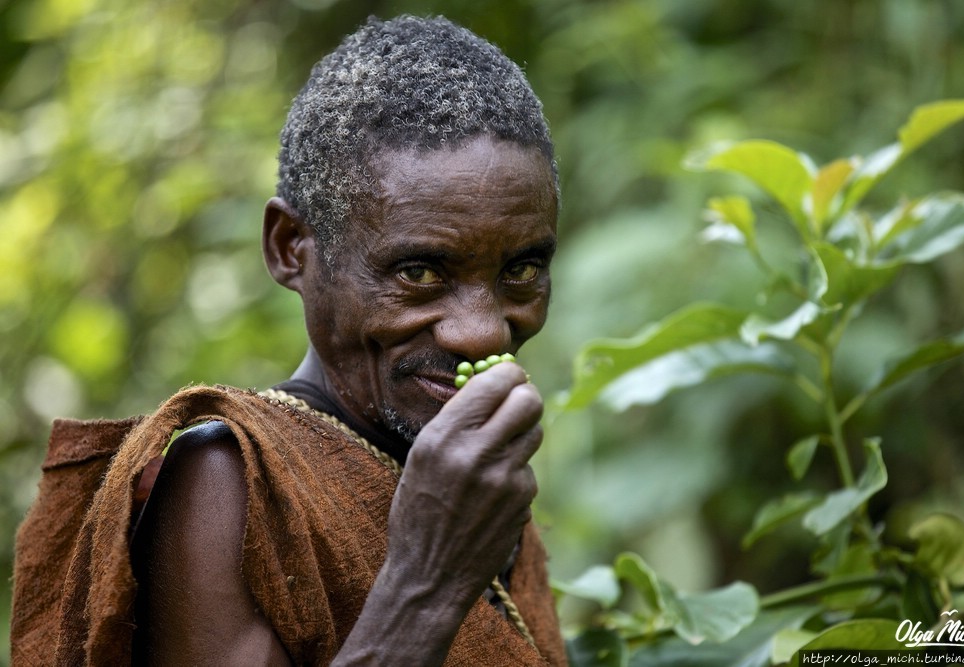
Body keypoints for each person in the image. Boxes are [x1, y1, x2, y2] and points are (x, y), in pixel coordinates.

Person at [11, 14, 566, 667]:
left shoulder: (471, 473)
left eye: (521, 271)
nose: (484, 329)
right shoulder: (230, 481)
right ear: (291, 249)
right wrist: (427, 582)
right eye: (418, 272)